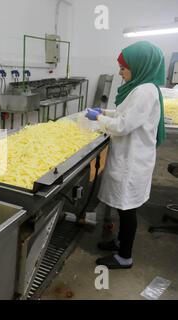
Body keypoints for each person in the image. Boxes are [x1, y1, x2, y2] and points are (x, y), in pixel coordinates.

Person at [85, 41, 166, 269]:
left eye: (123, 67)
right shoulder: (143, 88)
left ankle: (125, 257)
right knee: (125, 207)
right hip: (130, 157)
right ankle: (120, 242)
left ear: (139, 65)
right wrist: (103, 112)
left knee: (127, 209)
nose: (120, 72)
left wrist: (98, 119)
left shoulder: (143, 91)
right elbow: (123, 113)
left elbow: (123, 125)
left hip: (133, 162)